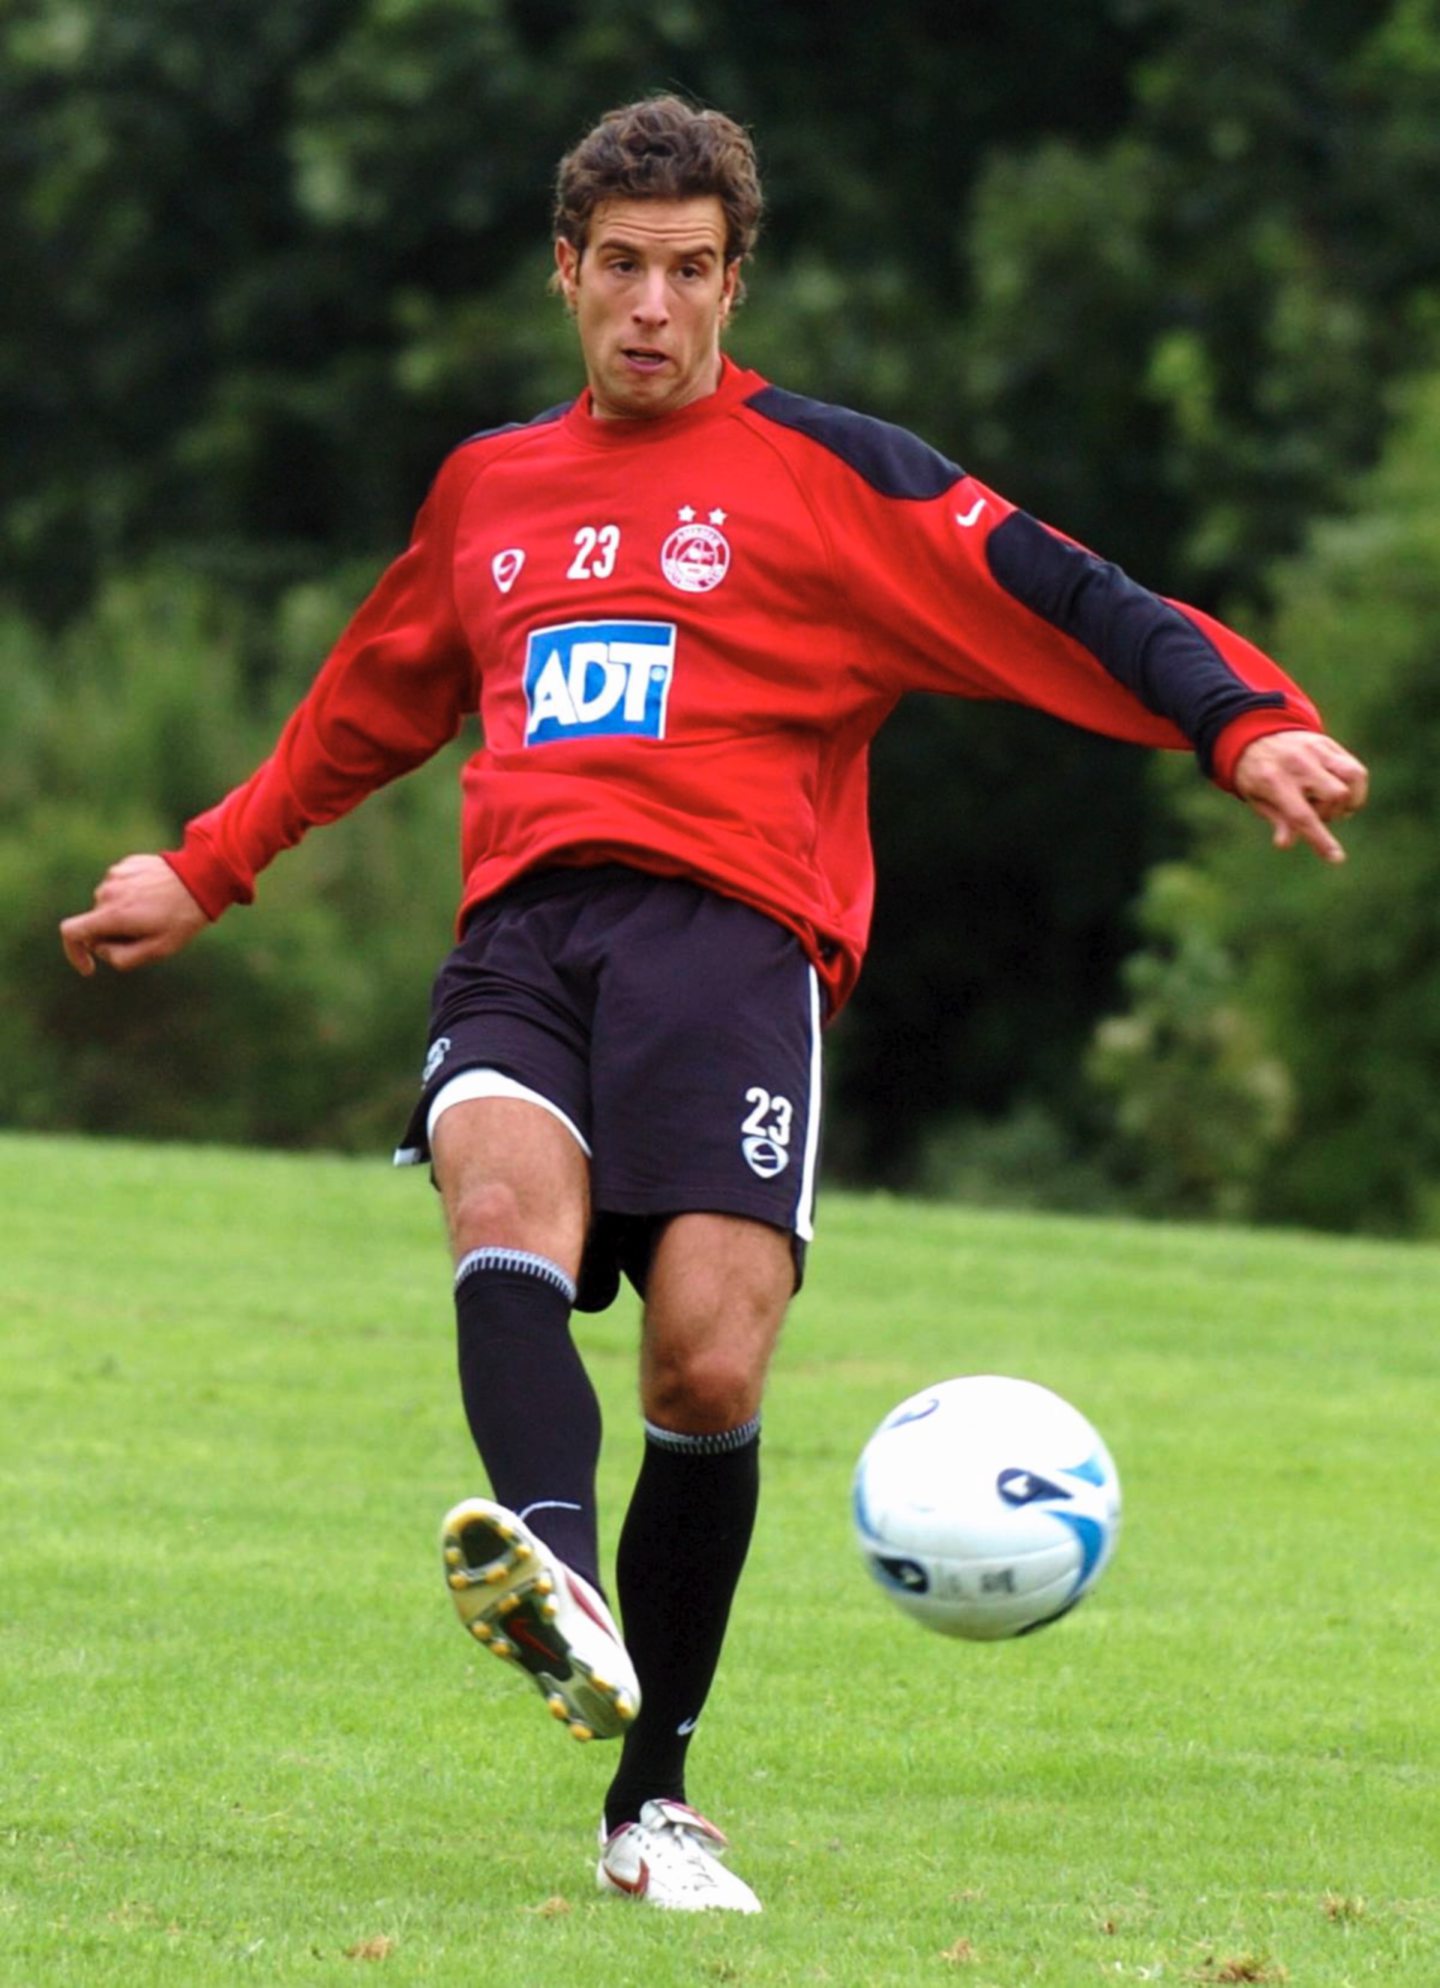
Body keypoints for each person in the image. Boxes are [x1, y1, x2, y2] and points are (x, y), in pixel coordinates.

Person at [59, 95, 1368, 1913]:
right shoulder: (490, 489)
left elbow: (1065, 597)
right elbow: (371, 699)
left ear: (734, 281)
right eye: (619, 269)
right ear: (566, 274)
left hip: (737, 951)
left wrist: (1241, 719)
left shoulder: (835, 479)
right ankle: (560, 1579)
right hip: (525, 930)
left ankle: (649, 1806)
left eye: (689, 272)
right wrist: (208, 867)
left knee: (708, 1361)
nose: (652, 307)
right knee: (499, 1202)